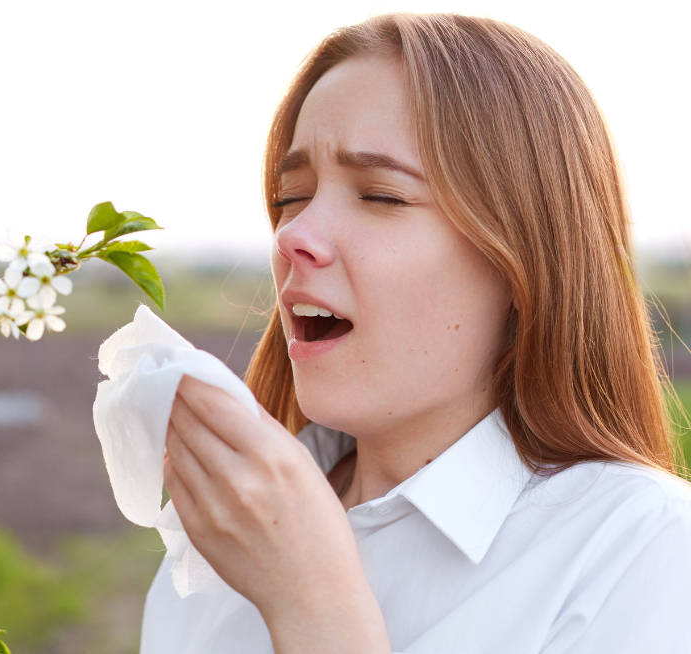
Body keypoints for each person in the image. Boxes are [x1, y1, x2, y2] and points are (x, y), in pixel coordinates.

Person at [144, 12, 691, 653]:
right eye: (292, 197)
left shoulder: (642, 549)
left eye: (381, 196)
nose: (294, 236)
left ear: (526, 258)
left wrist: (312, 605)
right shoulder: (216, 538)